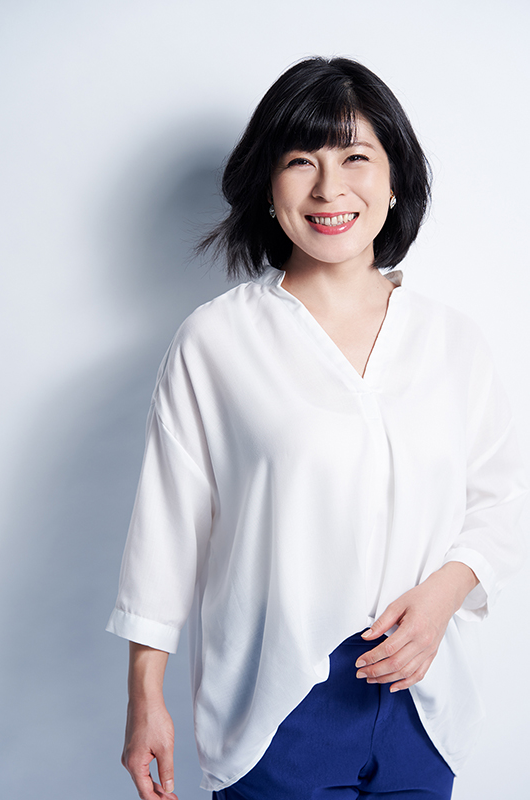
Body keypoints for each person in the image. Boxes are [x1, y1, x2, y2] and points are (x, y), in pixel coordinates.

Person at [106, 57, 527, 800]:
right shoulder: (216, 342)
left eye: (355, 157)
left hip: (424, 704)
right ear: (268, 187)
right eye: (301, 161)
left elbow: (499, 502)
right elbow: (165, 534)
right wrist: (146, 698)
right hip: (276, 713)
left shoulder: (452, 342)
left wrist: (442, 596)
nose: (329, 188)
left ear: (394, 180)